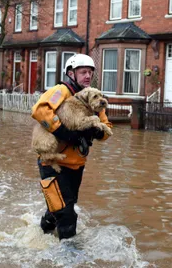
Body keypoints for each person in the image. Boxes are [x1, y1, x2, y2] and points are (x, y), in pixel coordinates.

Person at [31, 53, 112, 240]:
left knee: (58, 209)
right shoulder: (61, 90)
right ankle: (70, 257)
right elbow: (39, 110)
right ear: (71, 73)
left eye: (90, 72)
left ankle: (40, 236)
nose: (88, 76)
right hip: (52, 164)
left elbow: (107, 127)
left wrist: (95, 132)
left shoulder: (93, 98)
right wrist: (64, 133)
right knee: (66, 214)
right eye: (83, 72)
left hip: (76, 165)